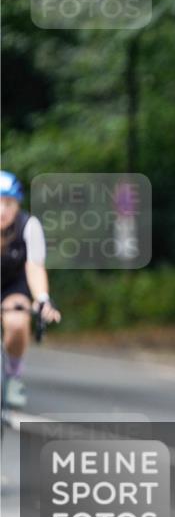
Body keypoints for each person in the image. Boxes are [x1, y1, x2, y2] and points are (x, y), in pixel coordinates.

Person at [1, 171, 61, 408]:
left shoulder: (29, 226)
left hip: (14, 286)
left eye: (8, 203)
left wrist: (43, 299)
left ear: (17, 205)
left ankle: (14, 376)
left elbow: (35, 268)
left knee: (16, 323)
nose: (2, 210)